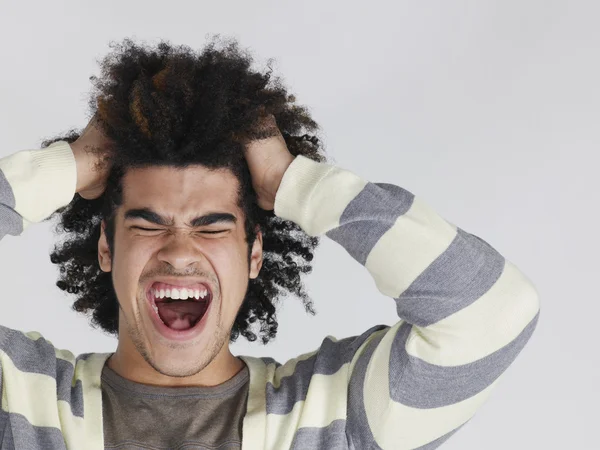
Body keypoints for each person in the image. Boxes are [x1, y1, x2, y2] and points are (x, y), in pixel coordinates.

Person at [0, 38, 540, 450]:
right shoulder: (20, 399)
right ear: (106, 250)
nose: (180, 250)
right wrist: (65, 168)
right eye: (147, 224)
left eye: (211, 225)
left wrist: (294, 184)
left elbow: (492, 312)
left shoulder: (337, 418)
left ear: (254, 255)